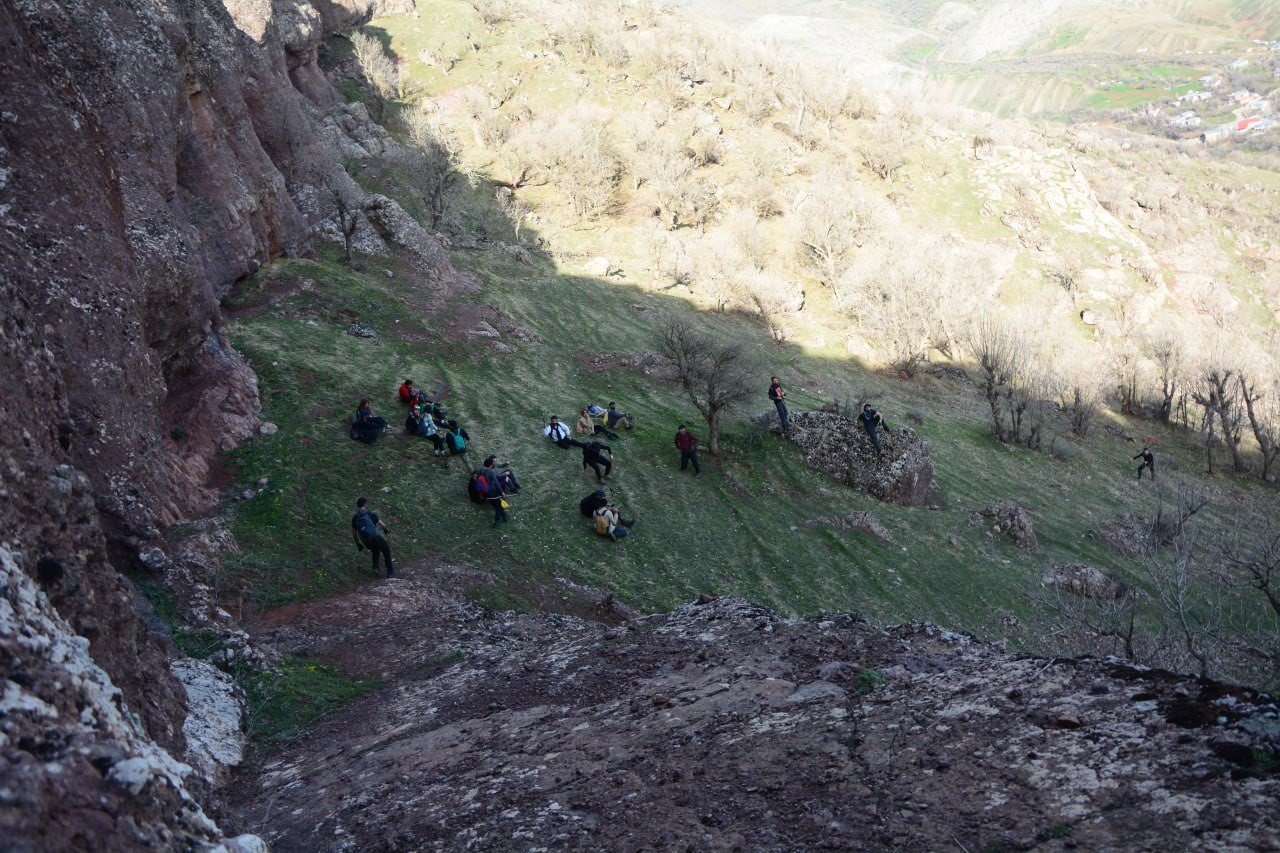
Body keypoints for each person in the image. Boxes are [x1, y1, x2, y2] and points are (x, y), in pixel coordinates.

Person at [351, 497, 394, 577]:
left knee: (375, 550)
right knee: (386, 550)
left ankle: (376, 567)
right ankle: (390, 572)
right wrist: (386, 530)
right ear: (365, 504)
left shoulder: (355, 518)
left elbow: (354, 533)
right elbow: (382, 524)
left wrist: (358, 543)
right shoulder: (370, 514)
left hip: (365, 540)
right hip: (375, 537)